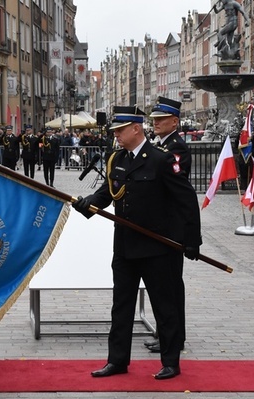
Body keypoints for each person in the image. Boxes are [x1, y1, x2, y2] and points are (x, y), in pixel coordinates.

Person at [72, 106, 201, 380]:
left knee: (164, 306)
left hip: (158, 247)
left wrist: (191, 240)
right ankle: (117, 360)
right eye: (115, 131)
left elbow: (186, 200)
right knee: (121, 306)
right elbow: (107, 193)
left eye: (120, 130)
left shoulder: (162, 160)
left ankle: (170, 361)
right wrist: (87, 205)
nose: (116, 135)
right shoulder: (116, 159)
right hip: (126, 246)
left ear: (136, 129)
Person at [143, 97, 191, 355]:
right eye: (154, 119)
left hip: (171, 226)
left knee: (171, 286)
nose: (156, 123)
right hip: (160, 226)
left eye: (161, 119)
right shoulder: (160, 145)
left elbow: (173, 188)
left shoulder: (177, 149)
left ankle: (174, 337)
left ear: (175, 121)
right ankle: (165, 333)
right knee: (163, 287)